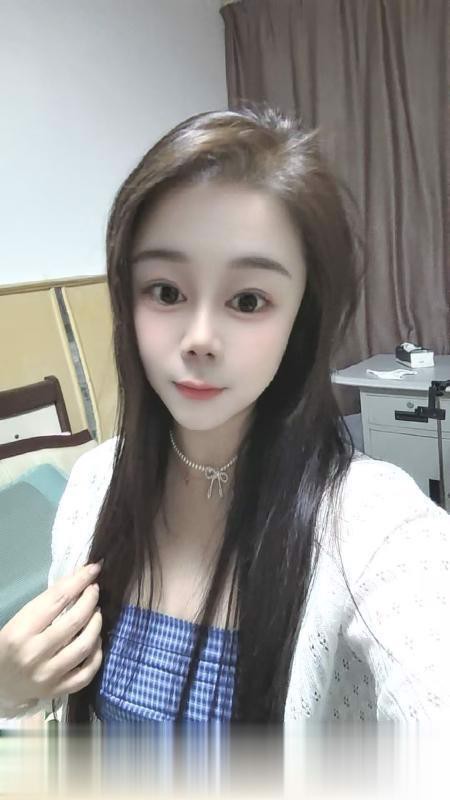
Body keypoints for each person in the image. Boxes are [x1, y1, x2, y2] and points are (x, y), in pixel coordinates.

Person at [1, 105, 449, 726]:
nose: (199, 339)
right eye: (166, 291)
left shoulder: (375, 526)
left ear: (301, 318)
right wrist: (9, 687)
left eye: (248, 300)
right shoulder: (93, 486)